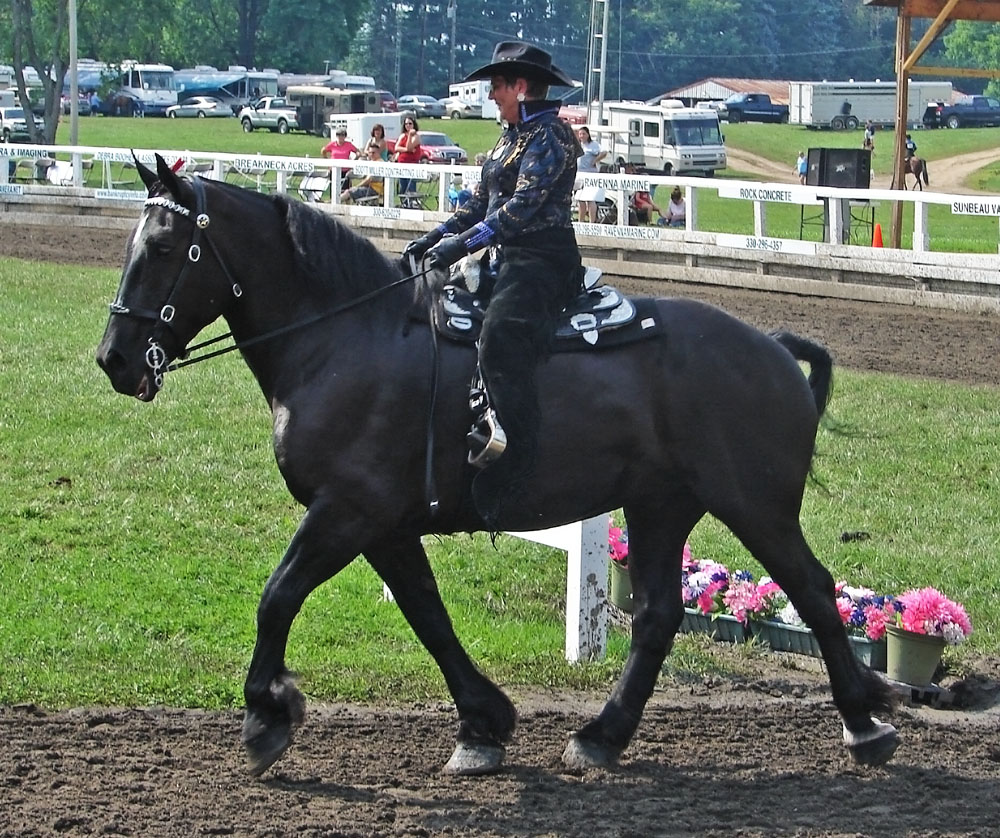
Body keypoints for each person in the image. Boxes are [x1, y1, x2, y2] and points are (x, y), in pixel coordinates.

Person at [398, 40, 582, 526]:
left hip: (543, 260)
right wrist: (435, 235)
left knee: (500, 335)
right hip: (507, 255)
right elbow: (478, 204)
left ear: (521, 86)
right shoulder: (509, 137)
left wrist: (461, 246)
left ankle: (519, 455)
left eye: (498, 85)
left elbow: (519, 210)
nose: (492, 93)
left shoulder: (553, 137)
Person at [574, 125, 606, 223]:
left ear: (588, 135)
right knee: (580, 199)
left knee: (590, 199)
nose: (581, 136)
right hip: (579, 174)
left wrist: (595, 161)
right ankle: (581, 221)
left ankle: (592, 222)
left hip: (591, 174)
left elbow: (604, 152)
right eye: (580, 134)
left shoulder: (593, 144)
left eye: (583, 134)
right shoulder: (578, 145)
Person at [393, 115, 422, 197]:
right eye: (406, 124)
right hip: (402, 163)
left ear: (414, 124)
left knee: (411, 186)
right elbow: (396, 148)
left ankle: (411, 204)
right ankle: (404, 204)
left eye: (410, 123)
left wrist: (409, 136)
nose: (408, 125)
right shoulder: (402, 136)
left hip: (412, 165)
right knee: (403, 186)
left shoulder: (416, 136)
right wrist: (406, 150)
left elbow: (409, 146)